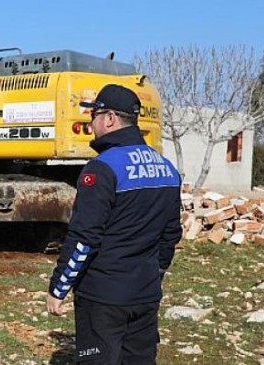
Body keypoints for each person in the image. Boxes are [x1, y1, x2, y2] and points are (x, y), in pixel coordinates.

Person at [46, 84, 182, 364]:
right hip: (145, 294)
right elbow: (170, 236)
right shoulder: (167, 168)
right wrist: (154, 276)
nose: (91, 124)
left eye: (93, 115)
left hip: (103, 297)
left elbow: (84, 238)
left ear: (109, 118)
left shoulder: (101, 169)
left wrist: (59, 287)